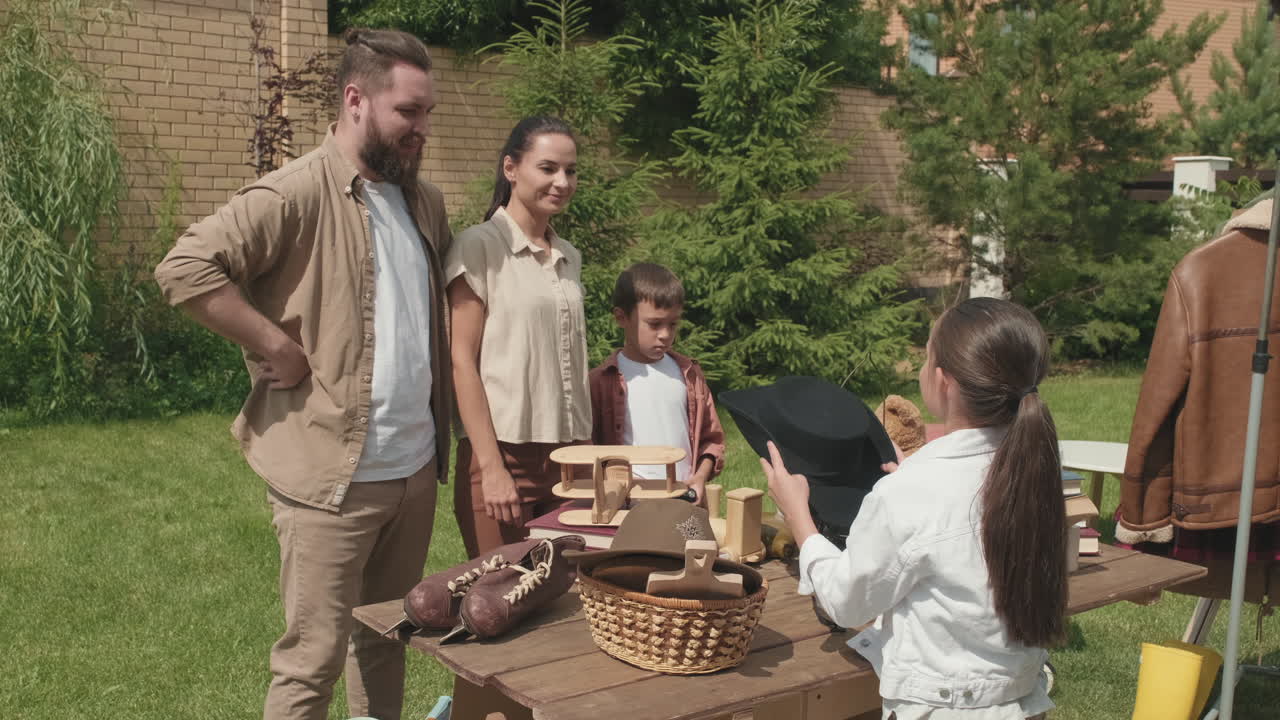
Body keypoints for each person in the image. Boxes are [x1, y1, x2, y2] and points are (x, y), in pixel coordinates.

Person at [154, 28, 451, 720]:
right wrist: (272, 344)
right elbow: (184, 267)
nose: (422, 129)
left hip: (412, 472)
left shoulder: (423, 202)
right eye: (409, 112)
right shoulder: (294, 194)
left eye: (427, 113)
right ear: (356, 100)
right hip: (330, 478)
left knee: (384, 640)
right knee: (311, 662)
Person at [762, 297, 1066, 719]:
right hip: (1022, 700)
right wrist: (917, 474)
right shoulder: (1036, 468)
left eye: (926, 356)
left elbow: (847, 604)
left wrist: (800, 519)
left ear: (943, 382)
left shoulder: (913, 493)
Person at [447, 116, 591, 558]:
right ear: (511, 168)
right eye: (547, 168)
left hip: (572, 460)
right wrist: (491, 467)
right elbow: (461, 361)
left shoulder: (569, 256)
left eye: (570, 171)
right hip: (504, 455)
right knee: (501, 597)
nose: (562, 182)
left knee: (568, 602)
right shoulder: (478, 246)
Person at [588, 262, 725, 505]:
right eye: (654, 324)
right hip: (627, 505)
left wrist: (700, 478)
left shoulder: (689, 375)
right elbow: (589, 451)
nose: (665, 334)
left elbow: (711, 441)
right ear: (621, 317)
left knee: (694, 543)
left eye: (673, 324)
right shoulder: (600, 382)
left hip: (685, 499)